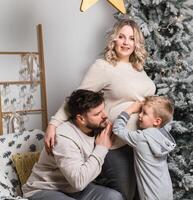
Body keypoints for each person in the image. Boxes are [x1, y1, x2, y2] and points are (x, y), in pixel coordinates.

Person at [44, 19, 156, 199]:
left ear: (137, 43)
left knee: (139, 194)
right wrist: (53, 123)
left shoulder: (139, 69)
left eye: (131, 38)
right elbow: (78, 98)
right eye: (121, 37)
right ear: (114, 40)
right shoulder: (103, 67)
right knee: (123, 195)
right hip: (115, 143)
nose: (126, 42)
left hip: (139, 143)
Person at [22, 89, 123, 200]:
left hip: (73, 189)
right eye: (97, 114)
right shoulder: (63, 137)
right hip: (45, 188)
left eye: (103, 110)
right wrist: (101, 148)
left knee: (114, 197)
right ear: (81, 119)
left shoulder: (97, 127)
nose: (104, 116)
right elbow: (79, 182)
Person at [113, 96, 176, 200]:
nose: (140, 115)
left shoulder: (141, 138)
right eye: (140, 112)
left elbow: (117, 129)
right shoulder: (163, 134)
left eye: (144, 113)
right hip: (166, 191)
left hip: (150, 195)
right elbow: (168, 121)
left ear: (157, 121)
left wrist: (131, 110)